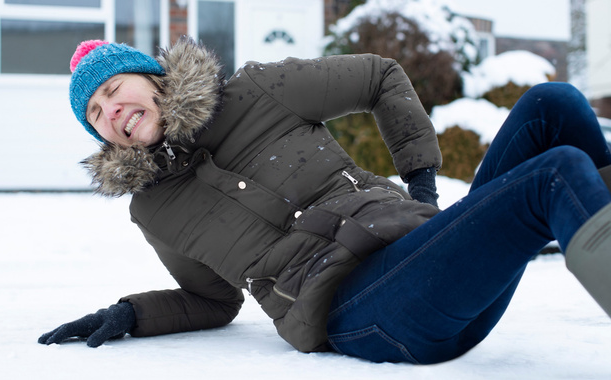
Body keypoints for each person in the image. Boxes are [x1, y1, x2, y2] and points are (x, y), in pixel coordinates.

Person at [38, 37, 611, 364]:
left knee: (552, 104)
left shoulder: (255, 92)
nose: (110, 111)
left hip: (432, 259)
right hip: (362, 312)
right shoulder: (153, 209)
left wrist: (423, 188)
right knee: (554, 175)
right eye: (95, 114)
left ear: (152, 78)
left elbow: (379, 77)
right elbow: (210, 300)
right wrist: (133, 314)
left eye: (113, 90)